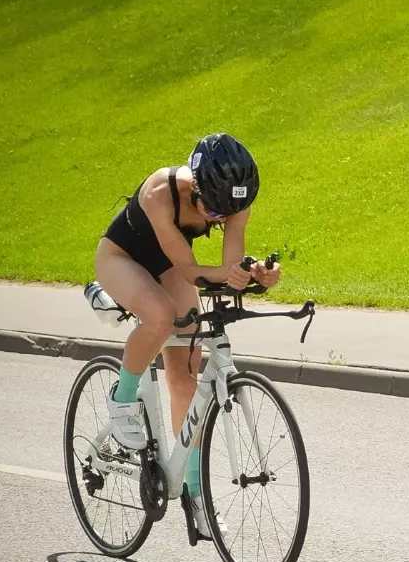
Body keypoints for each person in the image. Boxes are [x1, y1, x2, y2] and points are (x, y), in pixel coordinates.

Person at [94, 132, 279, 510]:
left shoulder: (235, 199)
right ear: (196, 187)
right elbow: (191, 269)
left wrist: (255, 272)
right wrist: (231, 273)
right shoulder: (159, 193)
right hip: (122, 259)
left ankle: (193, 492)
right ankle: (123, 399)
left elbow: (230, 268)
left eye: (226, 215)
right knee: (160, 316)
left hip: (170, 269)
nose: (220, 219)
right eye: (214, 214)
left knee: (186, 374)